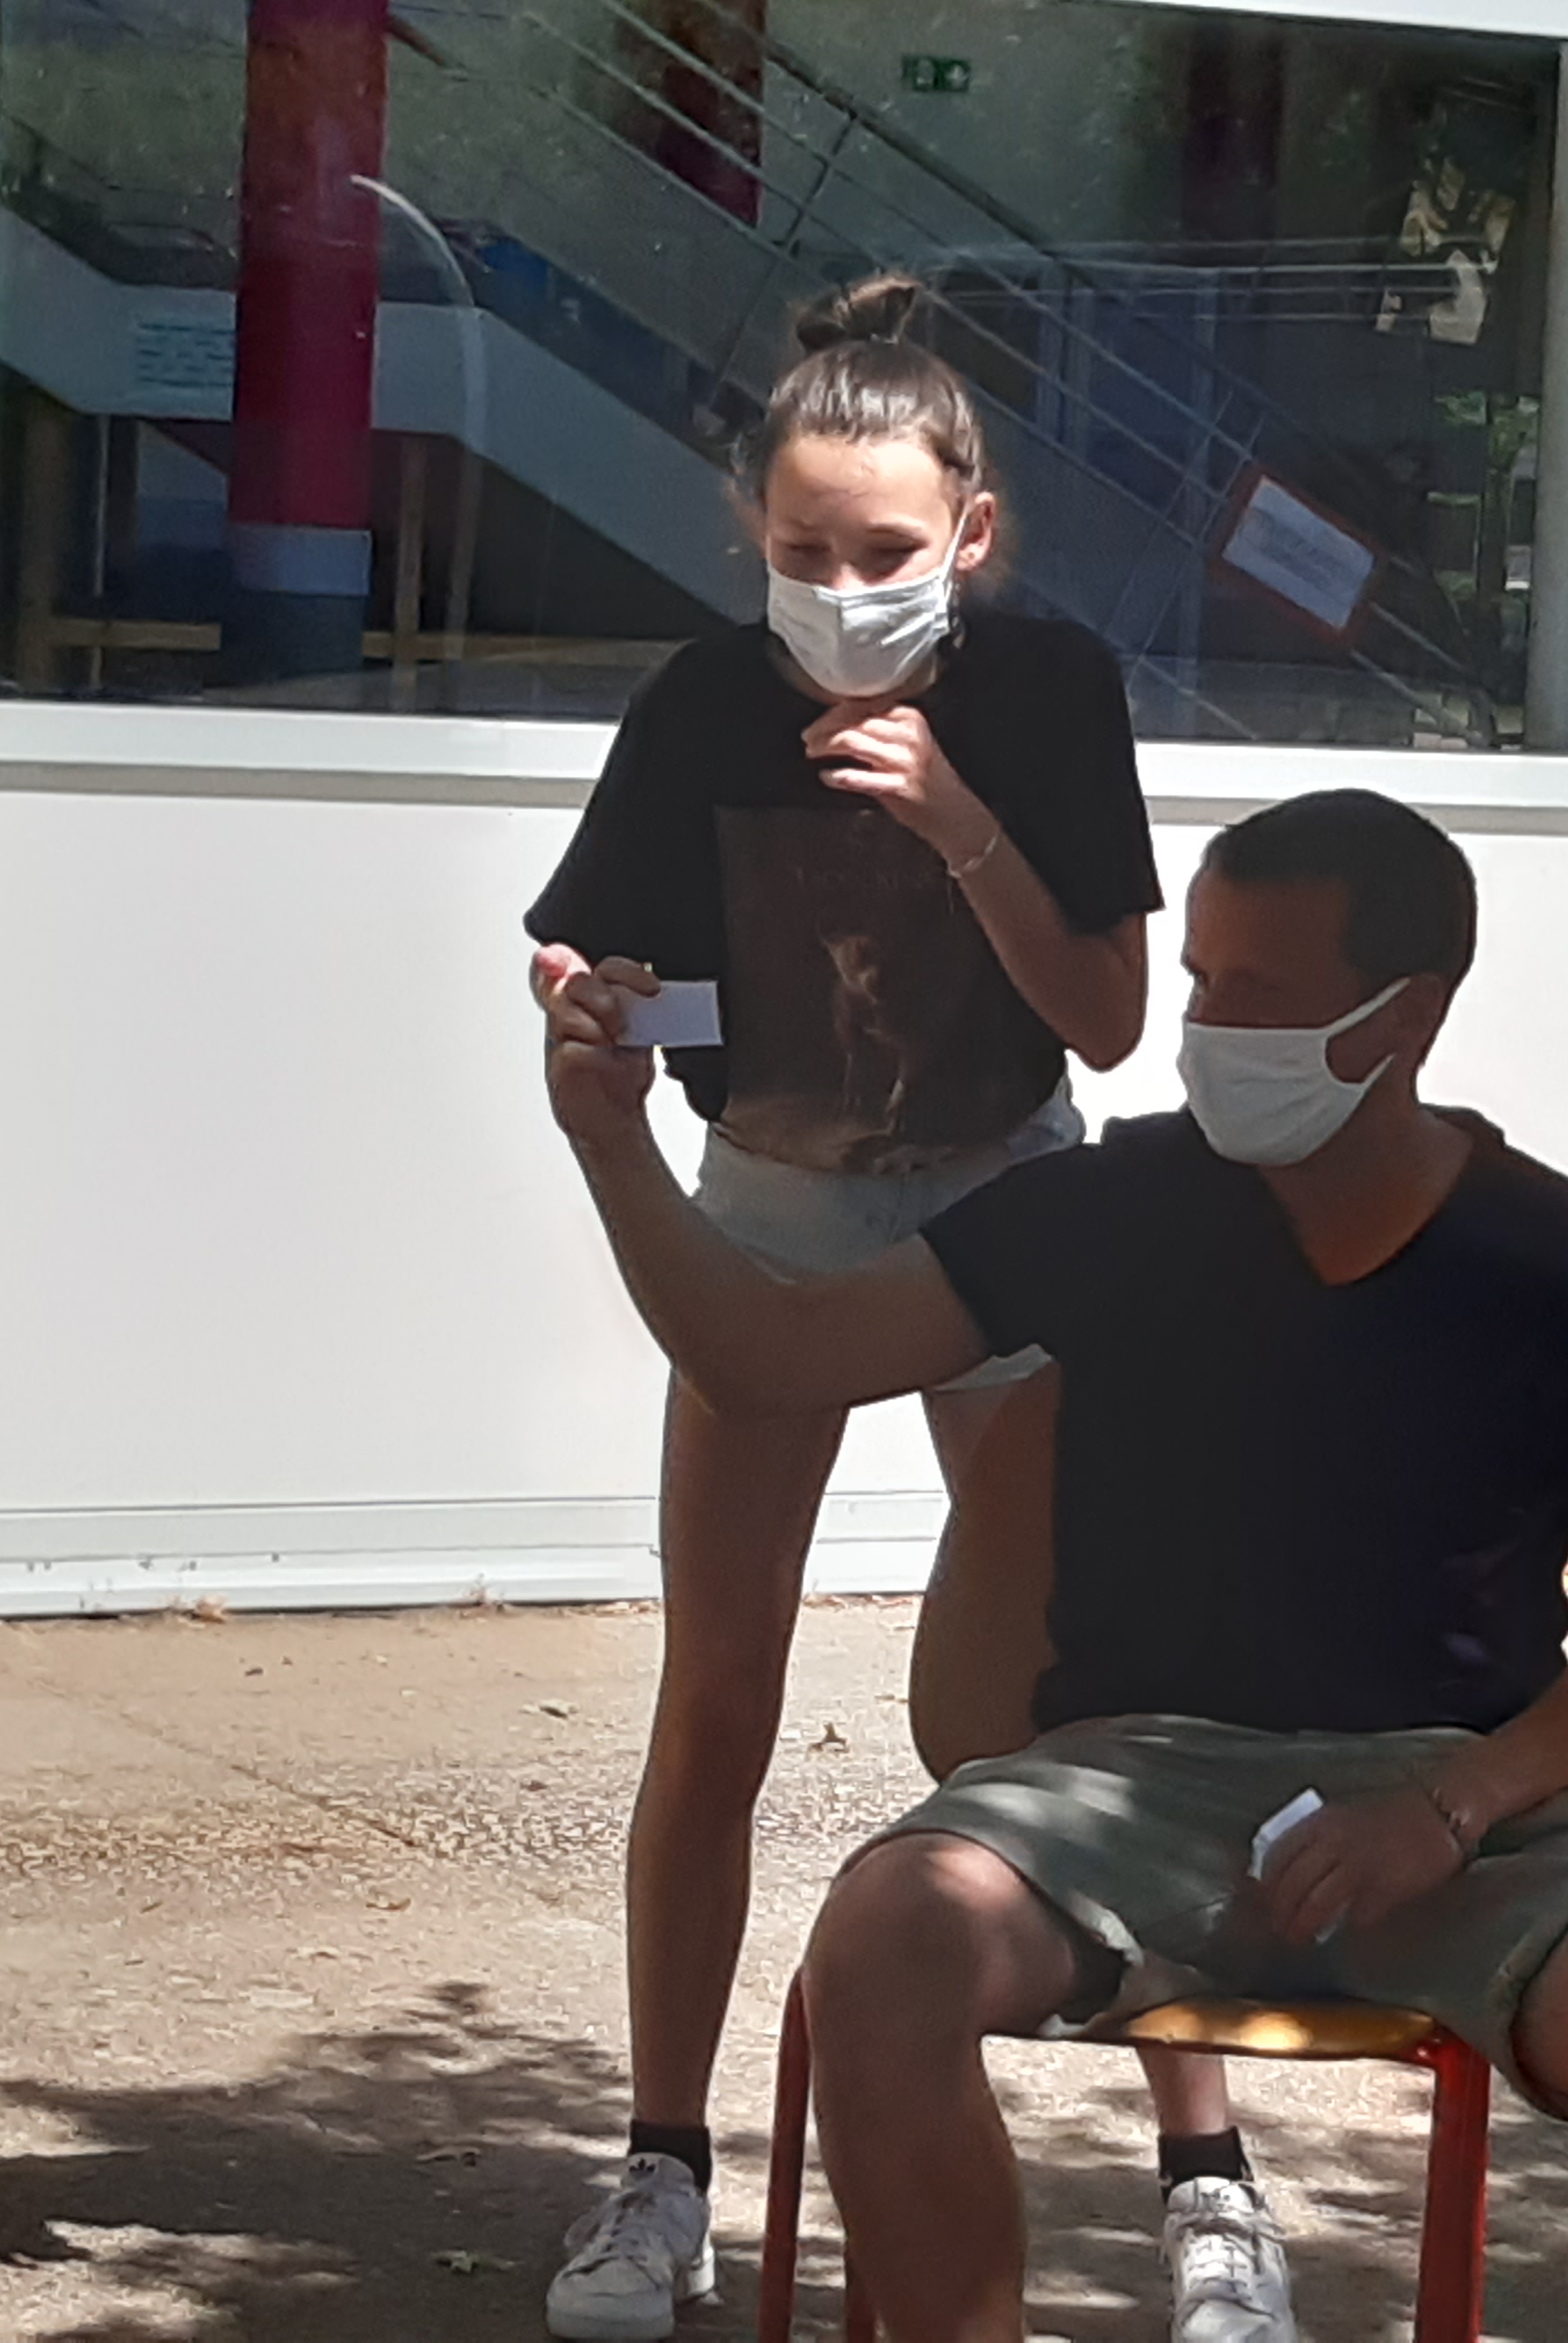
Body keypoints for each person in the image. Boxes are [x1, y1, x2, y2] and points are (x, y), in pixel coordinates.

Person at [535, 790, 1568, 2343]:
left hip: (1457, 1807)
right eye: (1201, 981)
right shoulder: (1114, 1208)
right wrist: (615, 1146)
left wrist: (1451, 1806)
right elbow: (771, 1353)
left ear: (1407, 1017)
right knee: (887, 1941)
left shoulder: (1563, 1264)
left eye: (1259, 996)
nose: (1206, 1031)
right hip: (1123, 1792)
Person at [522, 273, 1281, 2341]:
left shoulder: (1047, 690)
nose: (841, 592)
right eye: (803, 551)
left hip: (1012, 1203)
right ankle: (663, 2170)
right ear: (751, 537)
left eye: (883, 552)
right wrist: (590, 1005)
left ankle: (1209, 2175)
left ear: (972, 532)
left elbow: (1106, 1022)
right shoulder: (699, 706)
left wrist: (958, 823)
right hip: (773, 1197)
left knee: (1078, 1700)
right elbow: (604, 960)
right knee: (718, 1694)